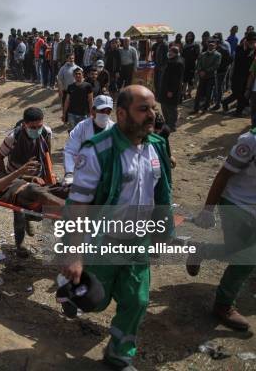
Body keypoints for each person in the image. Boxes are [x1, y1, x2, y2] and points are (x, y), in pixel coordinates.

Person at [63, 85, 174, 370]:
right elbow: (77, 204)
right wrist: (74, 254)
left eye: (153, 108)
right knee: (95, 302)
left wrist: (164, 232)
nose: (152, 115)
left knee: (138, 300)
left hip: (138, 242)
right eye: (143, 109)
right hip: (104, 241)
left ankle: (118, 355)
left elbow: (163, 195)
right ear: (122, 114)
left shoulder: (157, 147)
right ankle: (70, 288)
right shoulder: (97, 150)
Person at [188, 102, 256, 331]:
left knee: (235, 249)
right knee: (247, 257)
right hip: (234, 201)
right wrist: (208, 210)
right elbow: (224, 174)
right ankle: (223, 305)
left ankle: (200, 250)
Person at [0, 107, 56, 258]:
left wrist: (50, 180)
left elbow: (47, 156)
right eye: (32, 127)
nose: (36, 130)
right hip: (16, 178)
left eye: (39, 126)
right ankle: (20, 245)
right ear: (24, 125)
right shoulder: (13, 137)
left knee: (43, 211)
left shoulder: (46, 133)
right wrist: (6, 179)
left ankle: (31, 217)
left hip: (37, 176)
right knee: (19, 211)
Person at [0, 153, 65, 210]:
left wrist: (31, 178)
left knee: (64, 188)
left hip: (33, 187)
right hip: (21, 194)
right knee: (36, 190)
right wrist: (19, 171)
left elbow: (11, 178)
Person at [62, 95, 115, 185]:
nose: (105, 114)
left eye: (108, 111)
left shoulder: (114, 129)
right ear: (93, 110)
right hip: (83, 173)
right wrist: (69, 173)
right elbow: (70, 150)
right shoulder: (82, 127)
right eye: (102, 111)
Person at [222, 31, 256, 115]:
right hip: (237, 75)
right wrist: (249, 51)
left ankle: (238, 111)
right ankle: (225, 102)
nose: (254, 42)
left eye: (255, 41)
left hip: (248, 75)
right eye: (253, 40)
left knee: (244, 94)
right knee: (237, 94)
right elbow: (240, 60)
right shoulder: (240, 48)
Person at [192, 40, 221, 114]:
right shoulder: (203, 54)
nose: (210, 46)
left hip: (210, 77)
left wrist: (205, 71)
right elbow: (198, 63)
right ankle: (196, 109)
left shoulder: (218, 55)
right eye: (209, 45)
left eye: (212, 45)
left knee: (208, 94)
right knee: (198, 93)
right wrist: (200, 71)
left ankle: (205, 109)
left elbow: (216, 66)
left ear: (215, 46)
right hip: (202, 77)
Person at [159, 46, 184, 130]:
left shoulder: (178, 63)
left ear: (176, 53)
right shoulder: (170, 60)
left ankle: (172, 125)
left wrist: (171, 91)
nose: (169, 53)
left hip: (171, 90)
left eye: (171, 51)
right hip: (165, 88)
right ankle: (167, 122)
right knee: (164, 106)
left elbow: (176, 80)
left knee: (171, 108)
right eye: (169, 51)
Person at [211, 35, 233, 111]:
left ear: (218, 42)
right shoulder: (214, 50)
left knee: (219, 87)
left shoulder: (224, 50)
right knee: (216, 87)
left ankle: (218, 104)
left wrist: (221, 67)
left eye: (214, 41)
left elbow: (230, 60)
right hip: (215, 71)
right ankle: (215, 102)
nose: (212, 43)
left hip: (221, 71)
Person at [182, 32, 201, 99]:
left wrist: (197, 66)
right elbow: (182, 56)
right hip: (185, 65)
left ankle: (189, 93)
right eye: (188, 36)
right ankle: (183, 93)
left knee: (190, 80)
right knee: (184, 81)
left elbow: (198, 56)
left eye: (190, 36)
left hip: (192, 65)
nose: (189, 37)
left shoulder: (196, 45)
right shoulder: (185, 45)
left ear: (193, 37)